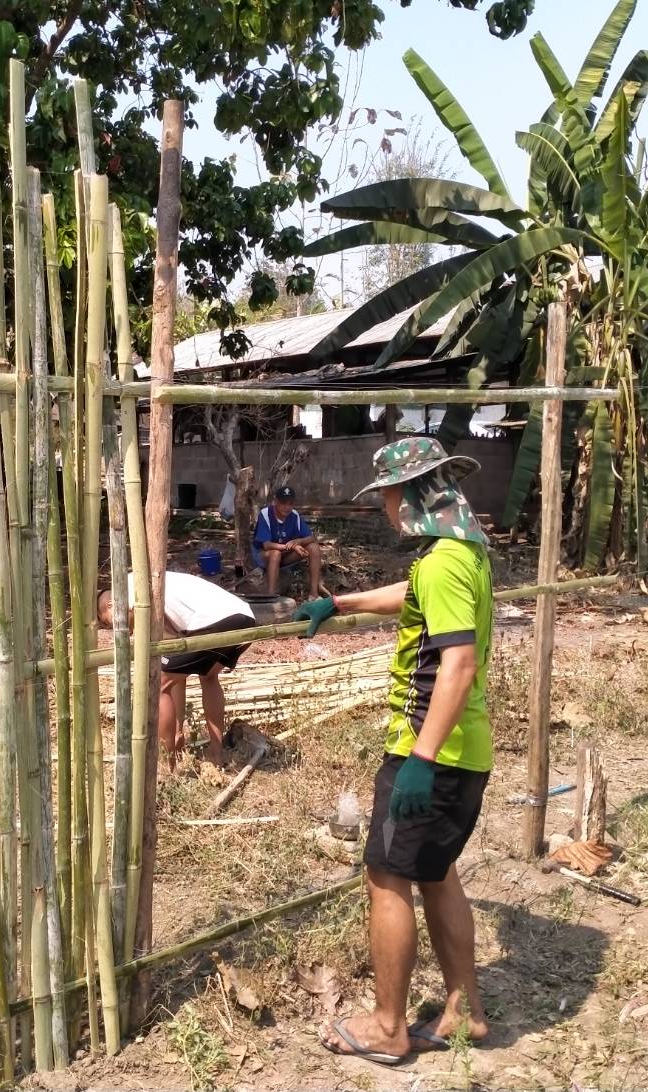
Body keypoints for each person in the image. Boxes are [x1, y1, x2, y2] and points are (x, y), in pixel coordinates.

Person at [295, 437, 494, 1066]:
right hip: (466, 749)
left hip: (430, 750)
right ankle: (465, 1010)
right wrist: (339, 602)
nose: (383, 507)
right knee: (437, 873)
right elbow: (411, 594)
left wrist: (421, 760)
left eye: (386, 495)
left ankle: (388, 1026)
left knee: (386, 878)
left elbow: (458, 664)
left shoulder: (443, 565)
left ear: (409, 496)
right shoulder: (464, 555)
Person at [97, 572, 256, 766]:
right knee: (208, 676)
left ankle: (167, 761)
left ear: (111, 605)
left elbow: (166, 675)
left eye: (108, 622)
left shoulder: (130, 586)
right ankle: (216, 753)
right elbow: (177, 674)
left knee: (158, 683)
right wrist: (179, 730)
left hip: (215, 620)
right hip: (244, 617)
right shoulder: (151, 596)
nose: (115, 629)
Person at [253, 485, 322, 599]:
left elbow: (311, 538)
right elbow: (266, 545)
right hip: (263, 556)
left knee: (313, 547)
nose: (287, 507)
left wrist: (299, 541)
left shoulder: (294, 515)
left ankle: (314, 594)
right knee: (275, 554)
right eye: (283, 503)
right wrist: (291, 547)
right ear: (276, 502)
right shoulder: (265, 514)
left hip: (285, 556)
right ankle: (271, 596)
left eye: (290, 504)